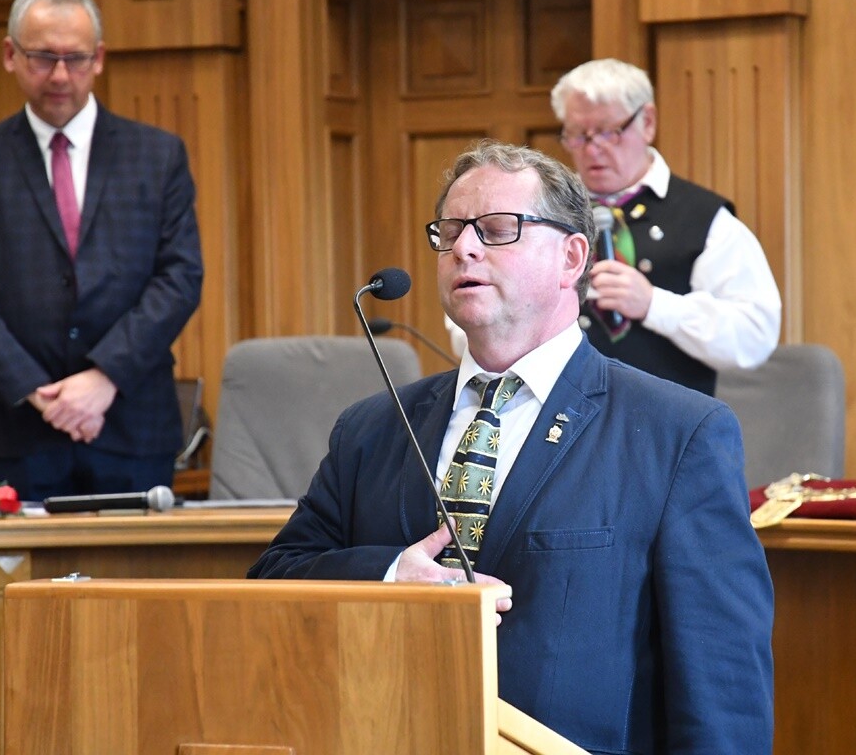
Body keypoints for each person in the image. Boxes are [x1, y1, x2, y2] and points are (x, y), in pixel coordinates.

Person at [248, 140, 774, 753]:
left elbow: (722, 686)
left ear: (571, 258)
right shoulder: (370, 428)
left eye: (498, 230)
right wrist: (388, 575)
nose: (464, 248)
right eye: (451, 232)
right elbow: (275, 579)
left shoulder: (678, 432)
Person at [0, 0, 203, 502]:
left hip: (133, 427)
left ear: (98, 58)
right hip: (22, 431)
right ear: (10, 55)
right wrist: (41, 394)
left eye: (75, 59)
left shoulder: (157, 155)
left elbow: (180, 277)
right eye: (42, 57)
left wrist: (104, 378)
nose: (59, 75)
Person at [448, 59, 781, 395]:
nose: (593, 149)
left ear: (647, 122)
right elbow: (468, 329)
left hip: (664, 416)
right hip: (547, 409)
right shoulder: (533, 211)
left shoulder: (705, 218)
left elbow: (754, 337)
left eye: (609, 132)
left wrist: (653, 304)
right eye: (578, 135)